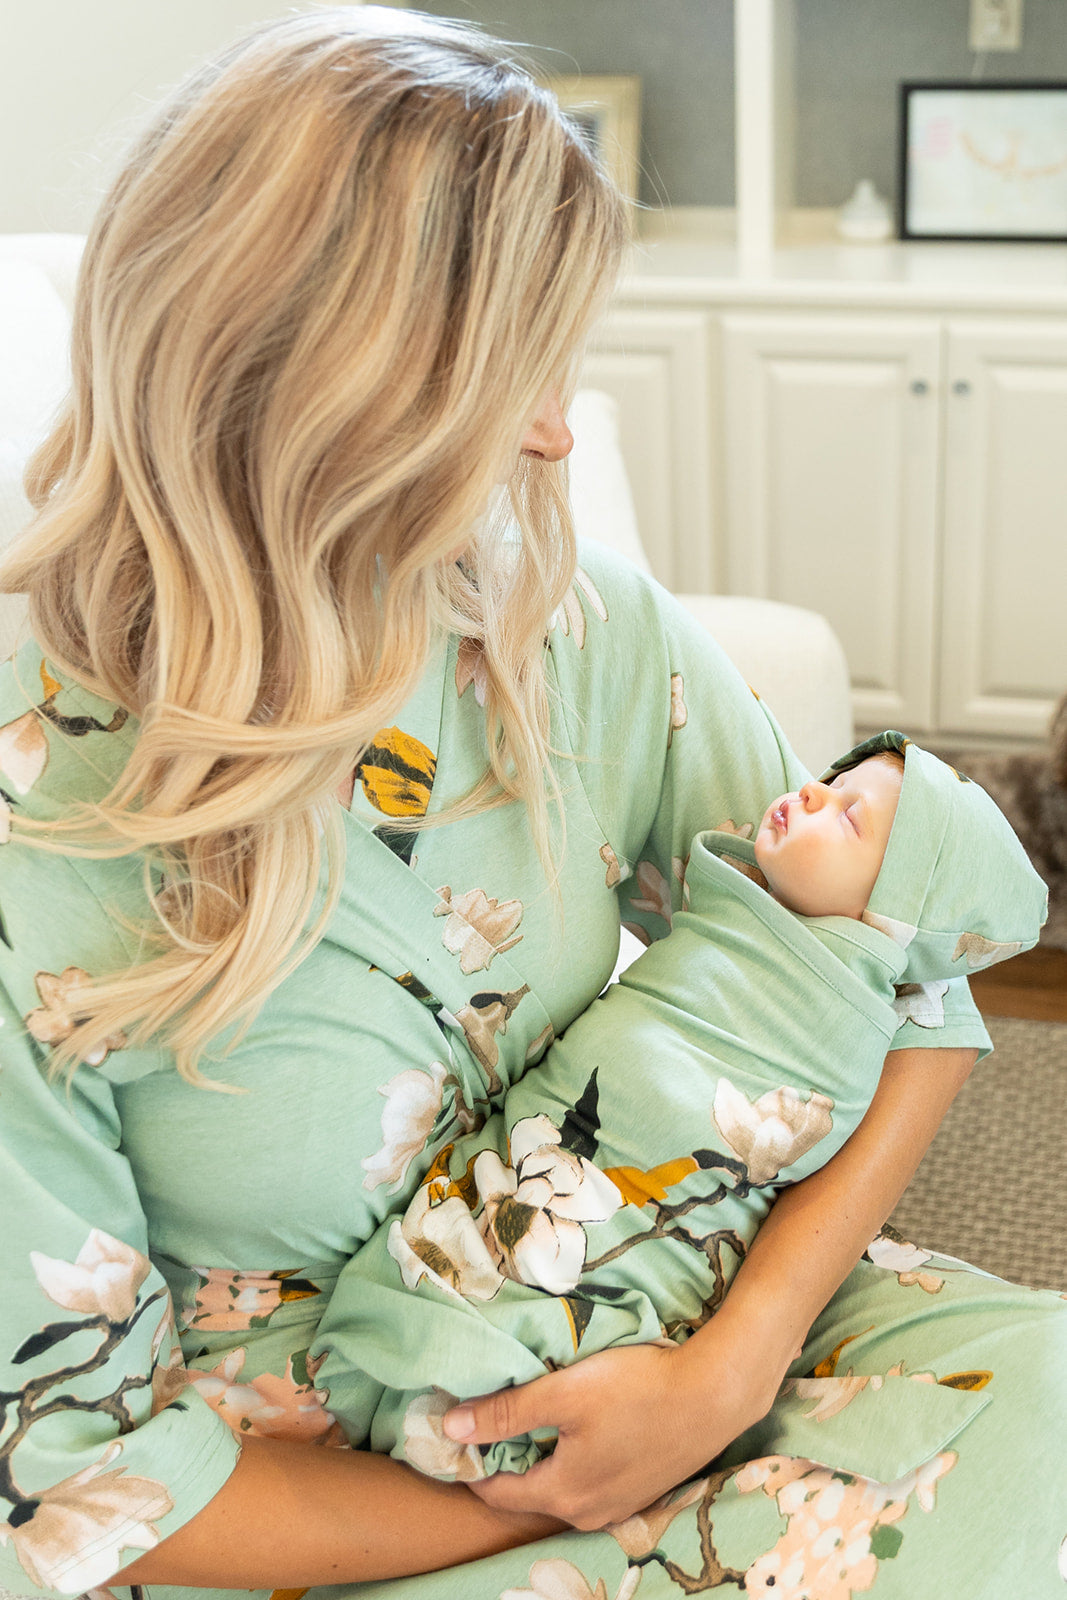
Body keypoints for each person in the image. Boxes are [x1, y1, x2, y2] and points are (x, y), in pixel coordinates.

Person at [0, 10, 1062, 1600]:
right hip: (316, 1483)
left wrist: (723, 1373)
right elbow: (70, 1478)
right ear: (331, 389)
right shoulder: (32, 824)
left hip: (679, 1319)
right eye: (515, 376)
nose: (557, 432)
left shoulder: (570, 629)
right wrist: (567, 1505)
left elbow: (906, 973)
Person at [310, 735, 1048, 1479]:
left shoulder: (843, 1025)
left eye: (848, 816)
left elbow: (710, 1117)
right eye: (834, 782)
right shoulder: (735, 906)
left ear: (891, 917)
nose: (812, 791)